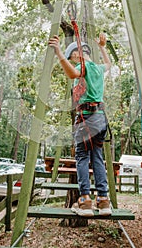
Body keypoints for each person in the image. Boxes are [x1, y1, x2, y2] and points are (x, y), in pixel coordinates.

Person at [48, 33, 112, 217]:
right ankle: (103, 199)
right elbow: (108, 65)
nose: (71, 61)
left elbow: (72, 73)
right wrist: (102, 47)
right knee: (97, 157)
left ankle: (85, 200)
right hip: (100, 118)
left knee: (83, 157)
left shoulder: (83, 66)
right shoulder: (98, 69)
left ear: (77, 54)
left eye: (71, 58)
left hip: (86, 118)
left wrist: (59, 53)